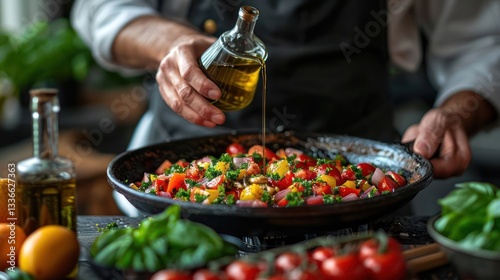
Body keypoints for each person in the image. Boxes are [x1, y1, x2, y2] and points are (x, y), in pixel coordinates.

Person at [71, 0, 499, 216]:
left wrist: (455, 113)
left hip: (357, 183)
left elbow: (481, 44)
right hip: (179, 169)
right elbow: (99, 9)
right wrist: (168, 43)